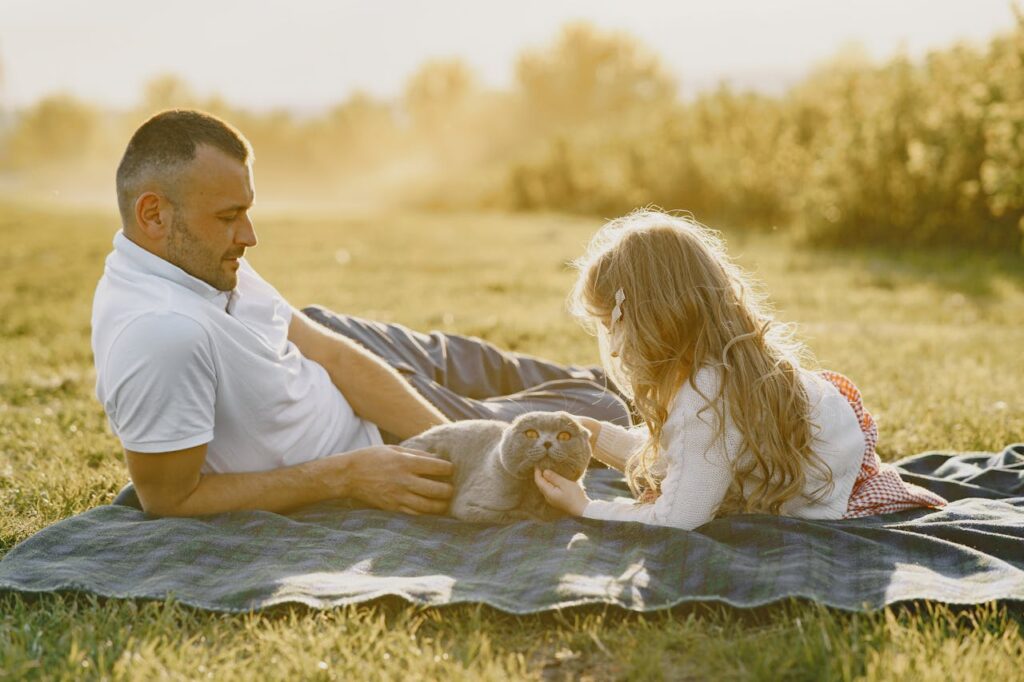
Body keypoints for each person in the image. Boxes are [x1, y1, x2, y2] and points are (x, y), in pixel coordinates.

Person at [92, 109, 629, 518]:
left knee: (481, 361)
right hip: (370, 444)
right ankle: (674, 397)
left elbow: (328, 351)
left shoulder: (196, 262)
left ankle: (635, 385)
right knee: (599, 405)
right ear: (154, 215)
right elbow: (168, 499)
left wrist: (462, 442)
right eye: (230, 217)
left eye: (247, 212)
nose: (250, 237)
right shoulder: (162, 335)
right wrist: (347, 476)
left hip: (350, 357)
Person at [534, 210, 948, 529]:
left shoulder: (706, 395)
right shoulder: (711, 370)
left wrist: (586, 508)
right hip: (823, 439)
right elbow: (680, 454)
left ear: (649, 319)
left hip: (835, 492)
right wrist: (597, 435)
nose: (615, 348)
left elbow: (679, 518)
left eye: (612, 326)